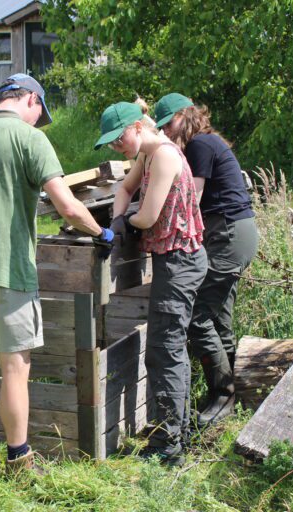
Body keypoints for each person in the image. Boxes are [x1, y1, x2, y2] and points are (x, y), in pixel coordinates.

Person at [0, 73, 113, 473]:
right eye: (41, 112)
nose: (39, 121)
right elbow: (68, 207)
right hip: (10, 270)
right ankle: (18, 458)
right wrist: (101, 232)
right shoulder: (30, 139)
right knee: (14, 368)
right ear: (31, 100)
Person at [100, 102, 206, 466]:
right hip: (172, 259)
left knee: (165, 349)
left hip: (181, 261)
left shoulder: (163, 156)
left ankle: (169, 444)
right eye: (111, 144)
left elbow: (147, 216)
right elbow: (123, 189)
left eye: (119, 138)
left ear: (137, 126)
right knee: (171, 347)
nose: (118, 147)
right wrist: (116, 217)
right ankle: (181, 431)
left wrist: (124, 225)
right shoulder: (147, 154)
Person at [154, 93, 259, 427]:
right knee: (219, 316)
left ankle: (222, 395)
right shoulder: (206, 143)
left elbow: (192, 200)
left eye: (169, 123)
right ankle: (225, 395)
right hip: (236, 233)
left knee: (198, 313)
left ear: (186, 116)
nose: (167, 132)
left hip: (227, 234)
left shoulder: (199, 145)